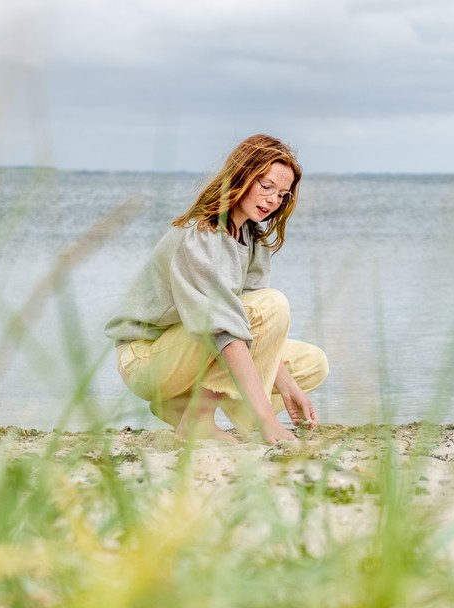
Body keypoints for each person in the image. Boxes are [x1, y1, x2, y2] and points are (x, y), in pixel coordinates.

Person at [105, 134, 328, 444]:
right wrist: (266, 419)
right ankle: (198, 419)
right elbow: (225, 329)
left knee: (312, 363)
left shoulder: (253, 238)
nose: (273, 201)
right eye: (266, 187)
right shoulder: (199, 236)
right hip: (146, 359)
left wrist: (288, 386)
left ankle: (181, 409)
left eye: (282, 194)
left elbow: (256, 328)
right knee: (270, 306)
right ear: (241, 176)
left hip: (192, 351)